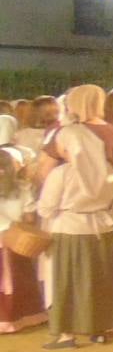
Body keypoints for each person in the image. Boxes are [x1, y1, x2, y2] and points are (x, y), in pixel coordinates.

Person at [38, 85, 113, 348]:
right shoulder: (111, 158)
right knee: (100, 279)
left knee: (66, 281)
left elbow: (46, 203)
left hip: (69, 226)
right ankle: (100, 329)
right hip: (105, 224)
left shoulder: (62, 167)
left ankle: (66, 332)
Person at [0, 116, 46, 333]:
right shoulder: (24, 188)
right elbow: (29, 217)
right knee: (21, 280)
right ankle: (23, 317)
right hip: (18, 241)